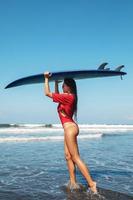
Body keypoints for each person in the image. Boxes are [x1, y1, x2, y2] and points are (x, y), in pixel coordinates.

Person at [44, 72, 97, 194]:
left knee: (75, 157)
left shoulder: (69, 97)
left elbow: (47, 93)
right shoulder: (69, 97)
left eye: (63, 86)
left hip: (70, 129)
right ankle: (73, 182)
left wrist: (46, 79)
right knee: (68, 157)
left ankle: (91, 183)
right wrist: (56, 83)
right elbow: (57, 96)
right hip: (69, 128)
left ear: (69, 87)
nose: (62, 88)